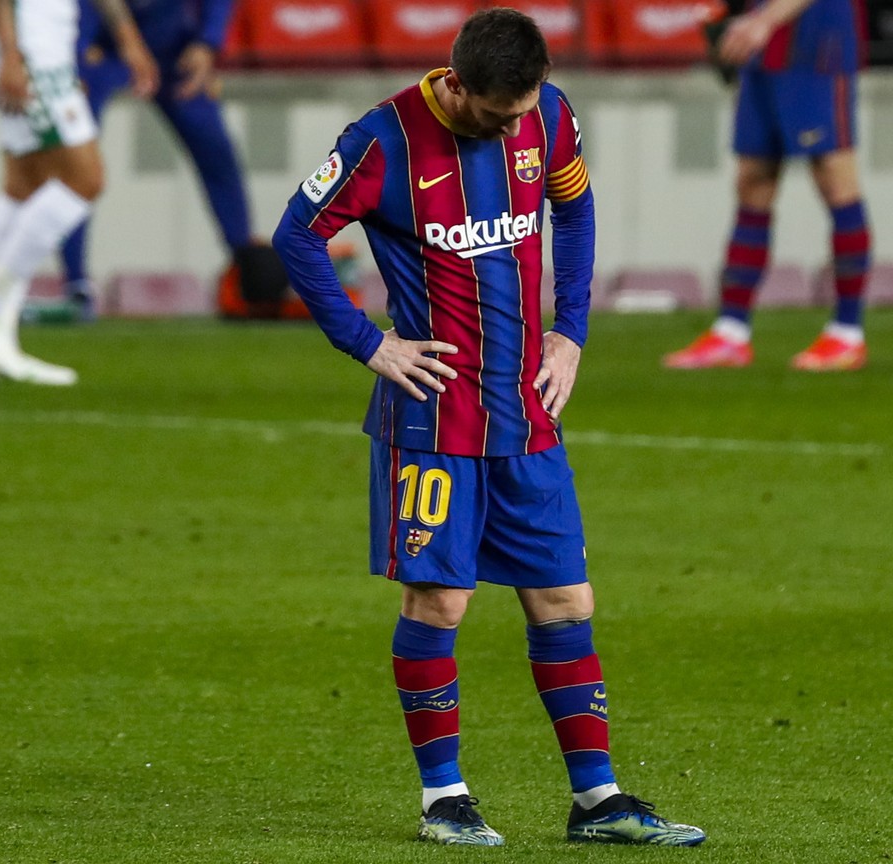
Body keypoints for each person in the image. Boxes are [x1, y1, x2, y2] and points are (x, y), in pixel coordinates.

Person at [272, 8, 705, 848]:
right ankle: (445, 797)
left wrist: (571, 330)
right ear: (458, 84)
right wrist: (368, 342)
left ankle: (598, 801)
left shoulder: (550, 114)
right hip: (432, 418)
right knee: (440, 600)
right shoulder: (383, 140)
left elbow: (574, 209)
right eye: (499, 115)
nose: (515, 129)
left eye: (524, 112)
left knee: (565, 598)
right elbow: (297, 234)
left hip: (526, 412)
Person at [0, 0, 157, 384]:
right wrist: (12, 51)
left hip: (37, 33)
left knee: (24, 182)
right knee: (85, 179)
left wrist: (129, 39)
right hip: (25, 34)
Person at [663, 0, 870, 371]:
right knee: (753, 179)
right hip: (763, 47)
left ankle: (847, 332)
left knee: (835, 177)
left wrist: (765, 19)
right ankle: (731, 331)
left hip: (817, 44)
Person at [54, 0, 275, 320]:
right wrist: (80, 51)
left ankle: (249, 273)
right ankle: (76, 284)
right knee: (76, 160)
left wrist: (207, 42)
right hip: (100, 45)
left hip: (169, 47)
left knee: (216, 149)